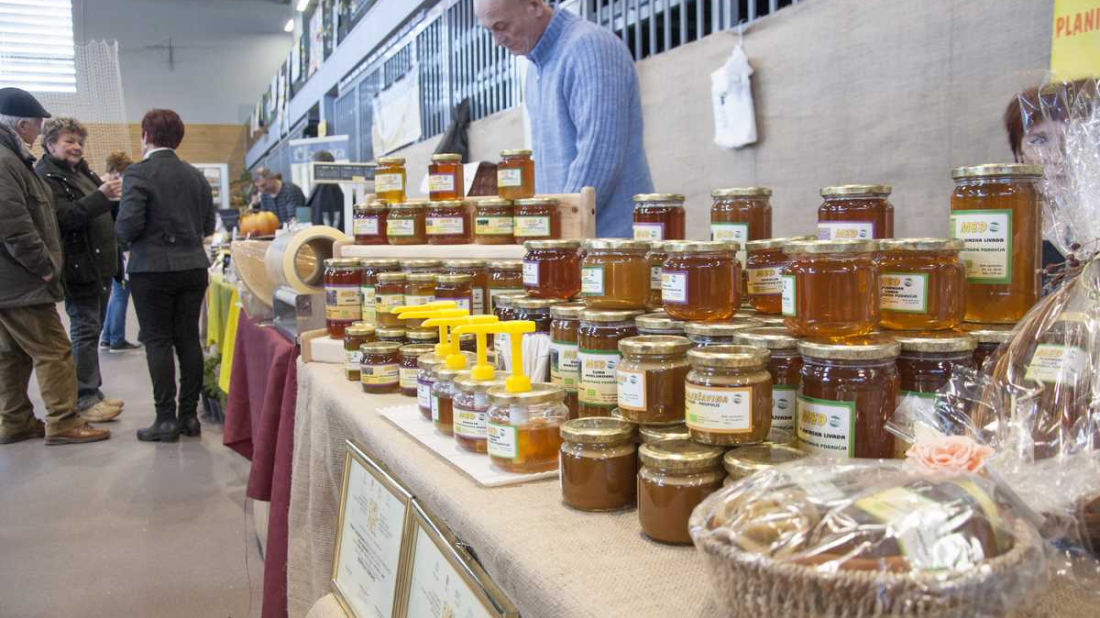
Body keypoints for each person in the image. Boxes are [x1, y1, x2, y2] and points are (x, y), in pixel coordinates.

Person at [475, 0, 654, 237]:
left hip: (610, 249)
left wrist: (556, 235)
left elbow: (599, 155)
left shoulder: (589, 48)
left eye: (502, 26)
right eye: (490, 31)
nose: (497, 41)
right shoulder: (535, 69)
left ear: (534, 6)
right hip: (571, 243)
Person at [0, 87, 110, 445]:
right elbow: (13, 225)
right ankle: (64, 421)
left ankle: (15, 421)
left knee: (12, 355)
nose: (39, 127)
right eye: (38, 122)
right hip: (21, 280)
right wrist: (44, 266)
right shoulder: (5, 161)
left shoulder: (13, 158)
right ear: (21, 124)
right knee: (54, 351)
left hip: (12, 281)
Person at [117, 109, 216, 442]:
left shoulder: (138, 173)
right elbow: (208, 227)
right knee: (188, 339)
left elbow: (128, 224)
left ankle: (165, 419)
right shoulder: (196, 176)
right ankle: (189, 417)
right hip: (193, 267)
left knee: (157, 341)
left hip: (151, 269)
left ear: (145, 135)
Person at [35, 117, 126, 423]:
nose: (76, 147)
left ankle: (93, 391)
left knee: (94, 328)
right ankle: (84, 397)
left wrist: (110, 200)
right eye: (68, 141)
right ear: (50, 144)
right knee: (85, 331)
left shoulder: (78, 170)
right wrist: (101, 196)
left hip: (99, 263)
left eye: (79, 142)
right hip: (79, 266)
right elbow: (65, 217)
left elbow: (95, 209)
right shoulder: (47, 176)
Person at [99, 151, 142, 353]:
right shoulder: (114, 191)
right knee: (121, 294)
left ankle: (108, 337)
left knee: (116, 293)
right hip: (119, 249)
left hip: (109, 248)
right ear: (116, 170)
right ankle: (116, 338)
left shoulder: (100, 187)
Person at [306, 150, 344, 228]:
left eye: (310, 166)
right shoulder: (329, 186)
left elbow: (333, 218)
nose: (309, 169)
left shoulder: (327, 188)